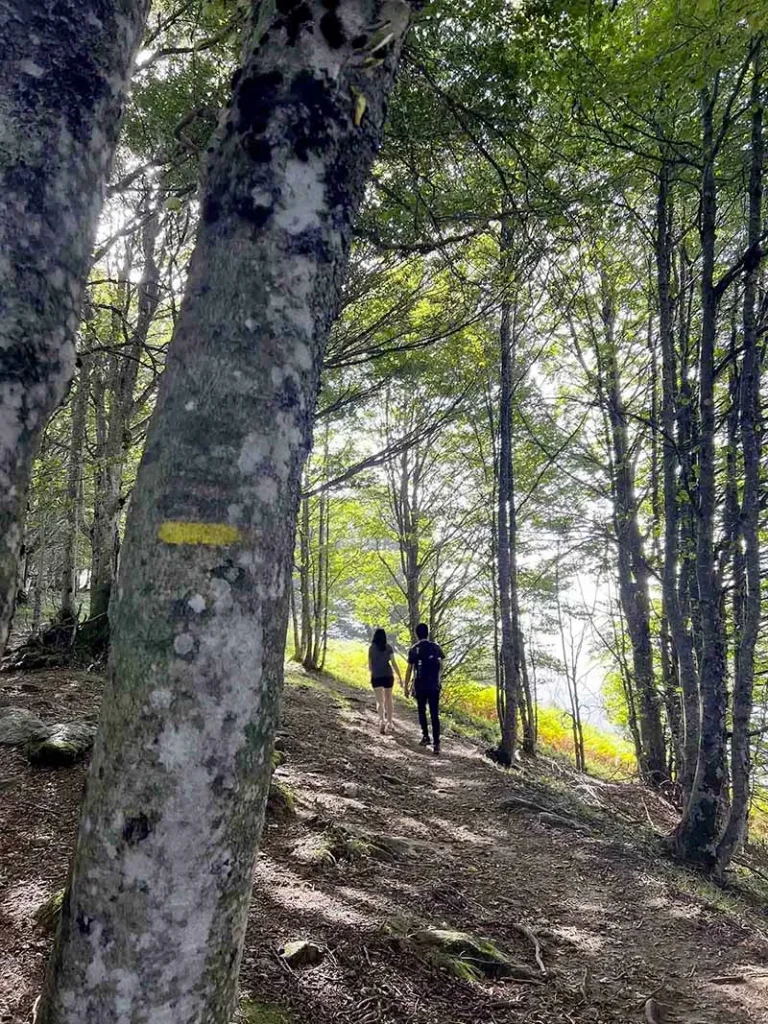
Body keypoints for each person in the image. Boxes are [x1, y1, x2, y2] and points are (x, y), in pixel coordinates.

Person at [405, 623, 445, 755]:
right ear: (427, 633)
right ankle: (437, 744)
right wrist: (438, 679)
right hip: (434, 685)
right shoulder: (436, 647)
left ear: (417, 634)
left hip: (420, 684)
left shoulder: (414, 649)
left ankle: (426, 736)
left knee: (421, 711)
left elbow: (410, 669)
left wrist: (406, 686)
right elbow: (441, 664)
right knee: (434, 714)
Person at [368, 628, 402, 735]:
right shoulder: (388, 648)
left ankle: (381, 720)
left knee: (380, 701)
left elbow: (370, 665)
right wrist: (400, 678)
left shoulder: (371, 648)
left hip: (376, 676)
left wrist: (374, 671)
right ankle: (390, 722)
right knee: (389, 699)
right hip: (388, 675)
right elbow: (394, 663)